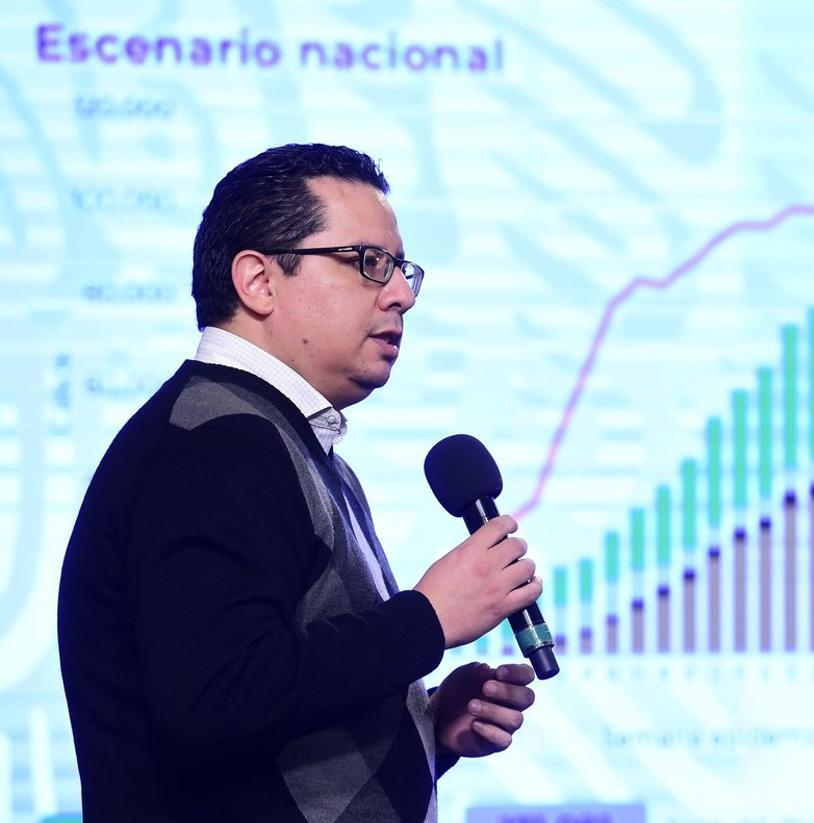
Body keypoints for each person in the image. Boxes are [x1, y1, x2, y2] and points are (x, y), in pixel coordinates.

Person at [57, 143, 544, 822]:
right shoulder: (215, 443)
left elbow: (268, 744)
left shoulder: (285, 440)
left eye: (402, 269)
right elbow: (214, 695)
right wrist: (425, 620)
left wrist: (424, 734)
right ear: (259, 281)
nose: (401, 292)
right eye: (368, 263)